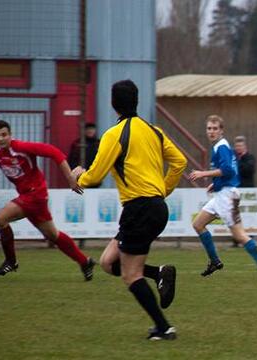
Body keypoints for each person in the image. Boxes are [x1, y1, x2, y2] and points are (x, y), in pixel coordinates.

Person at [73, 80, 187, 341]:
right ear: (136, 101)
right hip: (155, 207)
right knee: (107, 262)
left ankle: (163, 327)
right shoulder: (154, 131)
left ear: (113, 104)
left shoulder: (114, 134)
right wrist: (163, 190)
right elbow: (179, 162)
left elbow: (94, 177)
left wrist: (77, 176)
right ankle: (159, 273)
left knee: (130, 274)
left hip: (140, 208)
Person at [0, 120, 95, 280]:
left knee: (0, 219)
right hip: (27, 196)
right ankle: (85, 261)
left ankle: (11, 261)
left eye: (4, 135)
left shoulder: (21, 148)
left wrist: (70, 178)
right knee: (53, 235)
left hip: (36, 194)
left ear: (10, 135)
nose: (1, 138)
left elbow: (54, 153)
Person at [189, 115, 257, 278]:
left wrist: (203, 174)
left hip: (226, 197)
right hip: (222, 194)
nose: (211, 131)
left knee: (239, 234)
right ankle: (214, 261)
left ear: (221, 130)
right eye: (209, 128)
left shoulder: (221, 146)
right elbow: (230, 171)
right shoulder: (221, 147)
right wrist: (216, 183)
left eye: (215, 128)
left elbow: (228, 170)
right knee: (198, 224)